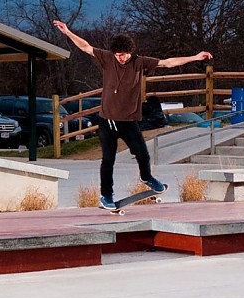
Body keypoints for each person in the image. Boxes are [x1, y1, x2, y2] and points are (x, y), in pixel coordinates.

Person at [53, 20, 212, 210]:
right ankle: (106, 196)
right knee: (108, 159)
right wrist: (68, 32)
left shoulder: (140, 62)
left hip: (128, 121)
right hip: (107, 120)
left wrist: (195, 57)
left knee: (143, 155)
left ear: (130, 52)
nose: (120, 58)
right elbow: (86, 47)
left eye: (123, 55)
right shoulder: (107, 58)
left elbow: (168, 63)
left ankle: (146, 177)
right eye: (117, 55)